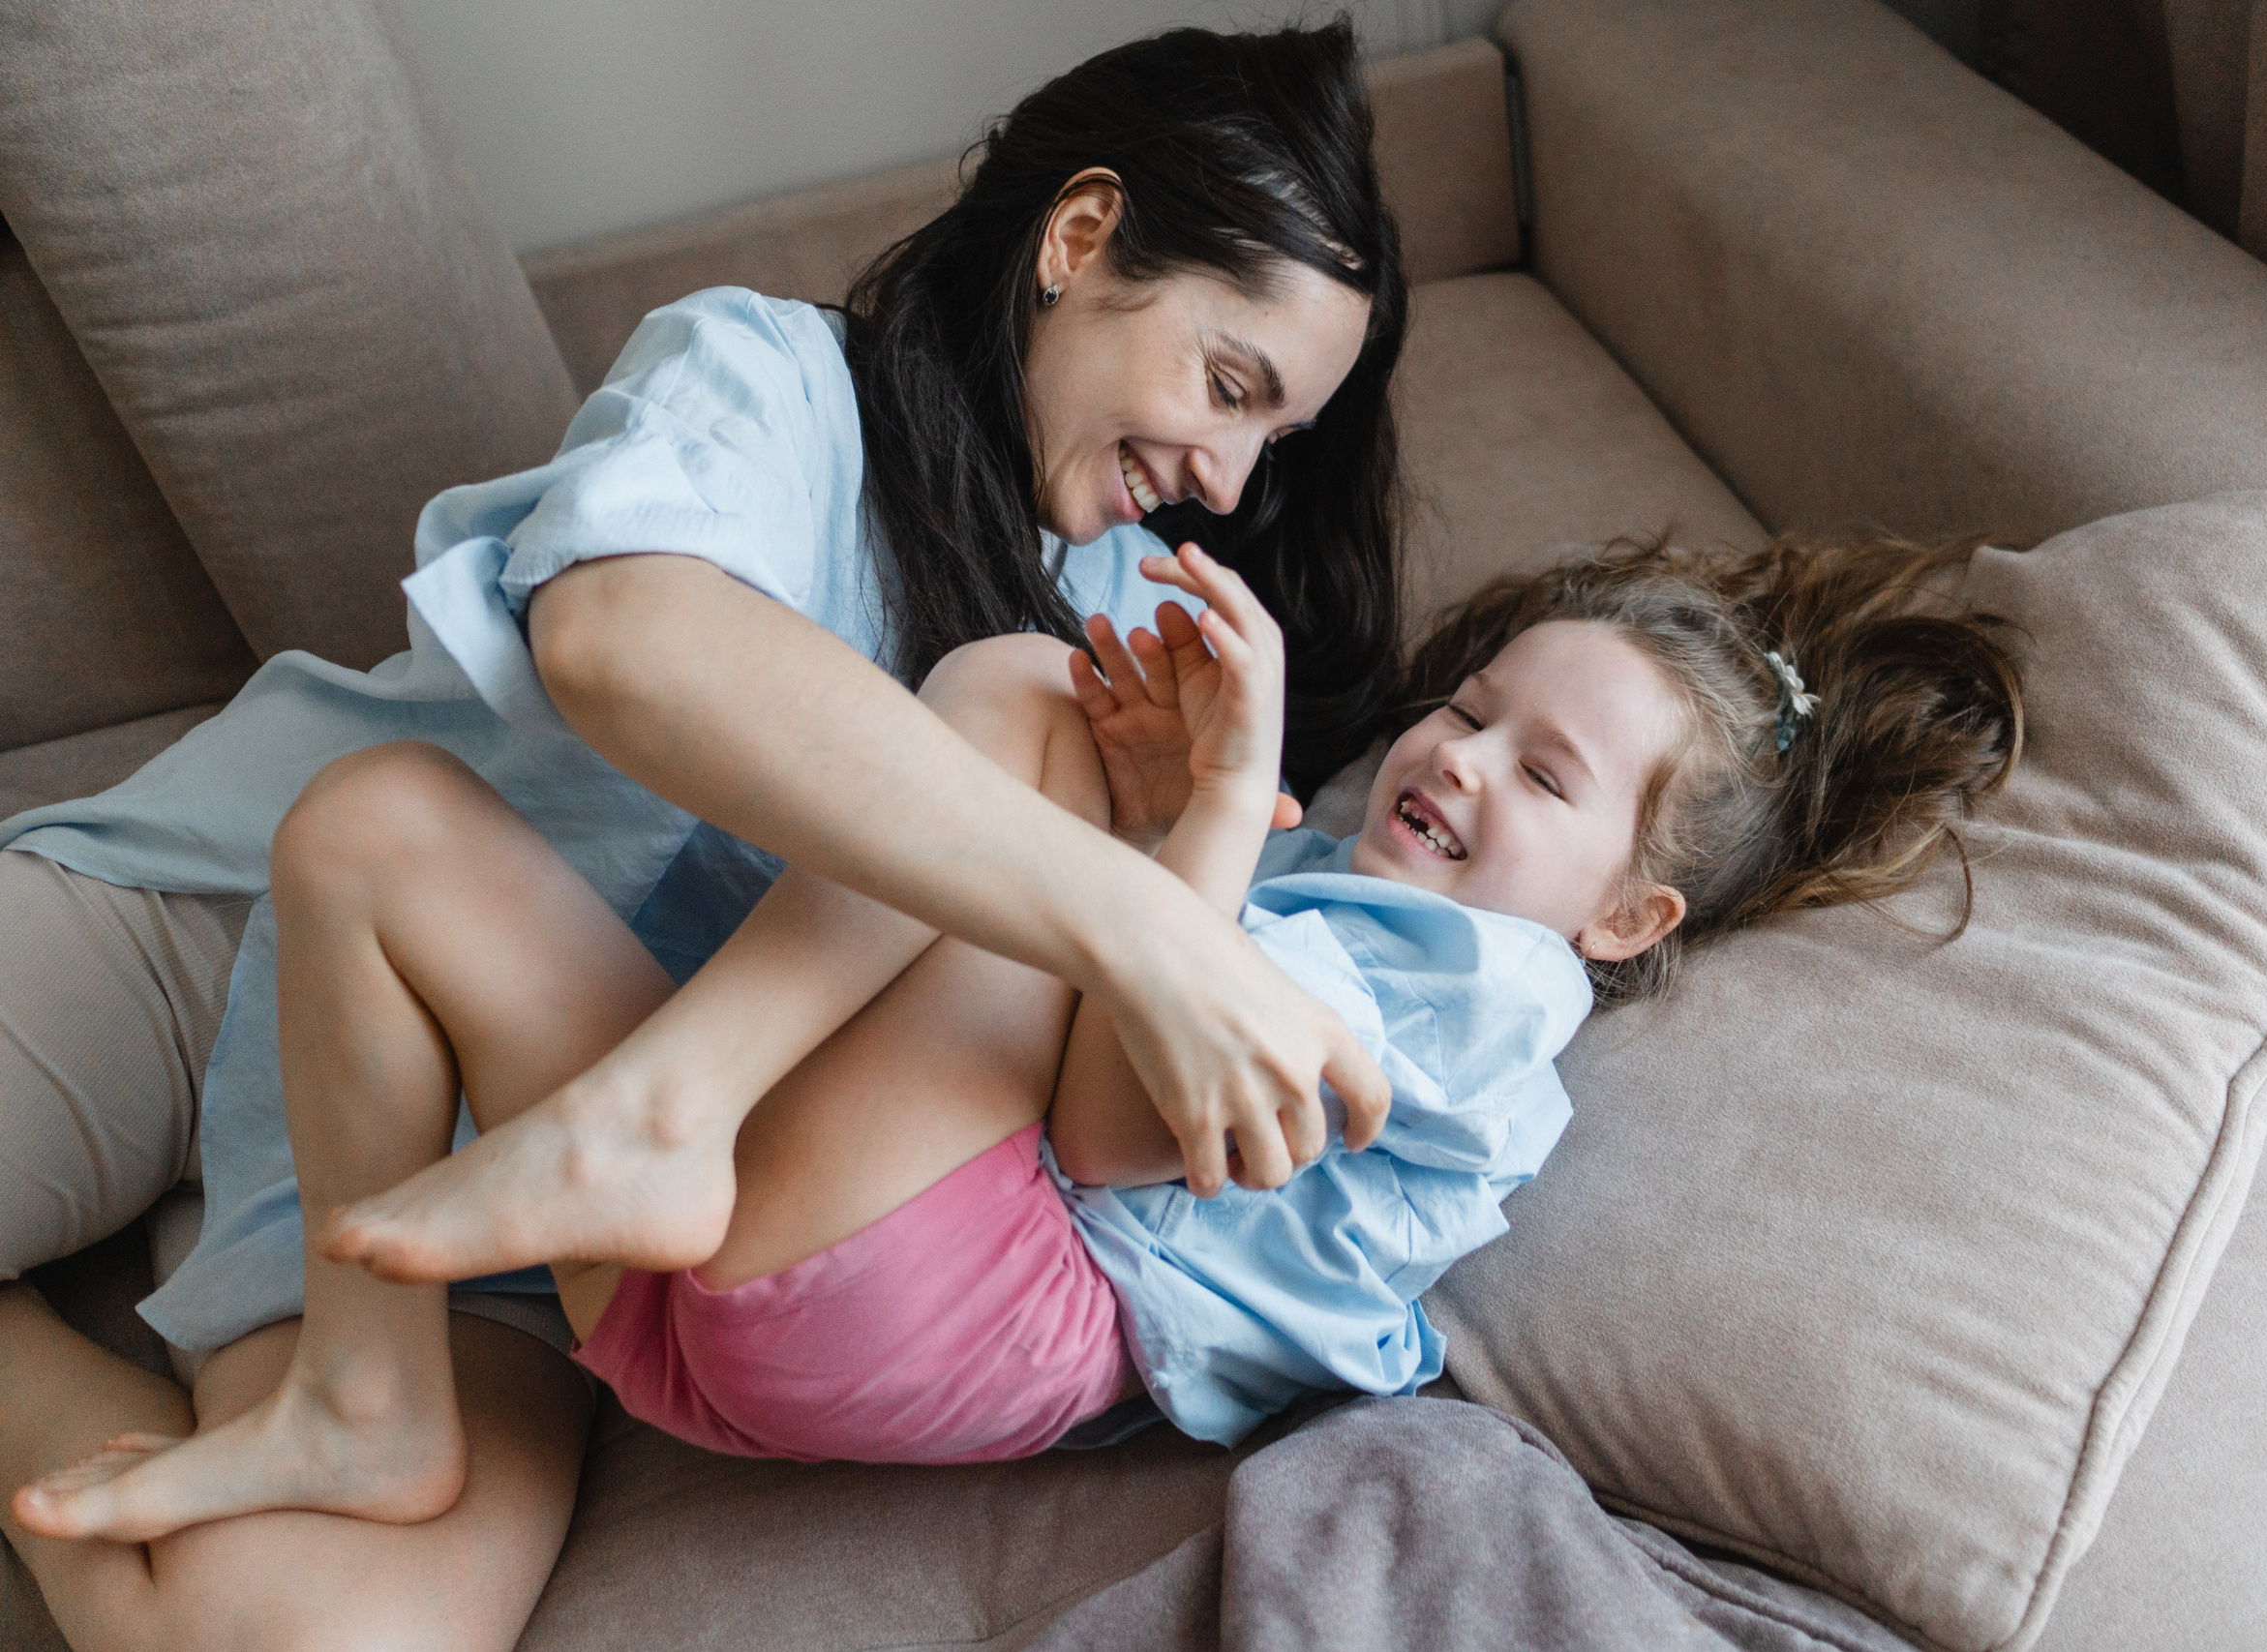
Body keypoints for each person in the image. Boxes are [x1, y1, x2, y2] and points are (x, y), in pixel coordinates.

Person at [0, 23, 1406, 1651]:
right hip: (225, 924)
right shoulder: (768, 375)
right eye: (1226, 387)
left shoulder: (1111, 633)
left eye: (1273, 441)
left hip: (498, 1160)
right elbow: (628, 643)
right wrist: (1137, 921)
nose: (1226, 479)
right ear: (1080, 238)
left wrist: (1197, 838)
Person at [14, 527, 2023, 1536]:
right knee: (365, 830)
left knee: (1011, 701)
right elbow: (1100, 980)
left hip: (963, 1286)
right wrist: (1175, 835)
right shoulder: (1356, 891)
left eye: (1543, 770)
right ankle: (374, 1402)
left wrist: (1188, 821)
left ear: (1623, 914)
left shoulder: (1483, 999)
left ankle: (667, 1108)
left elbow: (1109, 1119)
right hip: (797, 1264)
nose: (1458, 754)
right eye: (1467, 705)